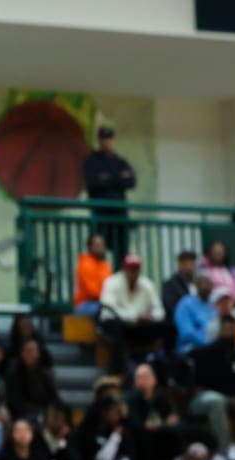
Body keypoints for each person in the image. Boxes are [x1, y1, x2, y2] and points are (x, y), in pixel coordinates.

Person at [99, 255, 169, 374]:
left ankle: (164, 371)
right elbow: (110, 308)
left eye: (136, 269)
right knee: (118, 329)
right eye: (130, 269)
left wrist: (152, 318)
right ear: (124, 269)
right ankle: (117, 373)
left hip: (138, 325)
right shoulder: (111, 282)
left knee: (168, 328)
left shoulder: (147, 284)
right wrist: (136, 316)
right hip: (115, 323)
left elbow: (159, 309)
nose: (133, 272)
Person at [189, 316, 235, 454]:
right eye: (227, 328)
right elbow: (186, 370)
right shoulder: (203, 352)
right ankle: (224, 451)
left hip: (230, 398)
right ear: (219, 330)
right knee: (216, 400)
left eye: (233, 328)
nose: (230, 331)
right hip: (202, 398)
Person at [83, 125, 136, 263]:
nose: (107, 142)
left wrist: (107, 178)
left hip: (119, 216)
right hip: (101, 215)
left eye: (109, 138)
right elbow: (92, 183)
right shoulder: (92, 161)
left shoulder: (120, 161)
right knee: (97, 254)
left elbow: (131, 181)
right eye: (104, 139)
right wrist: (118, 178)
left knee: (122, 255)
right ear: (99, 140)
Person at [124, 363, 181, 460]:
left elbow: (176, 423)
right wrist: (165, 423)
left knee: (177, 436)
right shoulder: (131, 398)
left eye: (146, 377)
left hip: (162, 437)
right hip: (139, 440)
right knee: (143, 438)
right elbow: (138, 425)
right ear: (134, 381)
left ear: (154, 379)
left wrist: (159, 425)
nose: (143, 381)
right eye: (139, 377)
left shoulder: (162, 396)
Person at [4, 340, 59, 422]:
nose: (30, 354)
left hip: (44, 411)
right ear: (22, 354)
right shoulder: (13, 373)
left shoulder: (45, 373)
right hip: (22, 413)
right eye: (27, 351)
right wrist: (39, 411)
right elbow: (15, 402)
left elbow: (54, 397)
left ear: (38, 354)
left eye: (33, 351)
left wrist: (52, 409)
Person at [174, 275, 216, 353]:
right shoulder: (185, 303)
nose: (205, 287)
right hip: (190, 348)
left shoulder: (214, 304)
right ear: (196, 285)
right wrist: (208, 343)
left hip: (214, 348)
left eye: (208, 283)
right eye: (202, 283)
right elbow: (187, 332)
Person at [74, 234, 112, 316]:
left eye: (102, 245)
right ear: (90, 247)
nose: (100, 248)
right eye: (97, 245)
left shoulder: (105, 266)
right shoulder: (85, 264)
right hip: (86, 304)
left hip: (104, 302)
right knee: (107, 311)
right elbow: (92, 291)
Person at [161, 250, 198, 319]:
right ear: (179, 265)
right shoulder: (170, 285)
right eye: (185, 264)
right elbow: (171, 309)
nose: (189, 267)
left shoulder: (199, 284)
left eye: (192, 263)